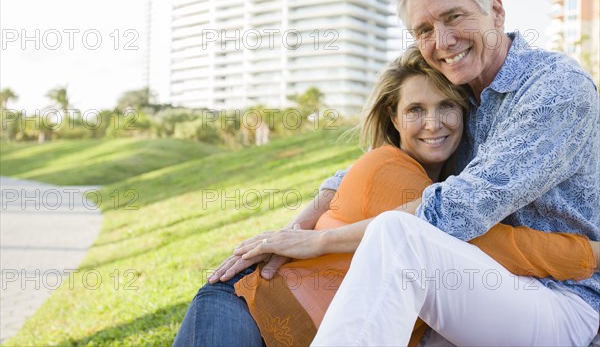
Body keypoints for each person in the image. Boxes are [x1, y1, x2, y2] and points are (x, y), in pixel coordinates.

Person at [171, 45, 597, 346]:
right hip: (255, 305)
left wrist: (302, 222)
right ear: (393, 119)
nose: (433, 123)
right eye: (415, 110)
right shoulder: (388, 169)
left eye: (447, 106)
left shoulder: (442, 177)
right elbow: (496, 247)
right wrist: (589, 255)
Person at [307, 0, 599, 346]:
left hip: (566, 299)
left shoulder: (553, 88)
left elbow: (459, 208)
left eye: (454, 16)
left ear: (496, 11)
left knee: (398, 235)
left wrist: (317, 241)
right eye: (423, 30)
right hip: (482, 281)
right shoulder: (458, 95)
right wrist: (296, 225)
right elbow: (388, 161)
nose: (442, 41)